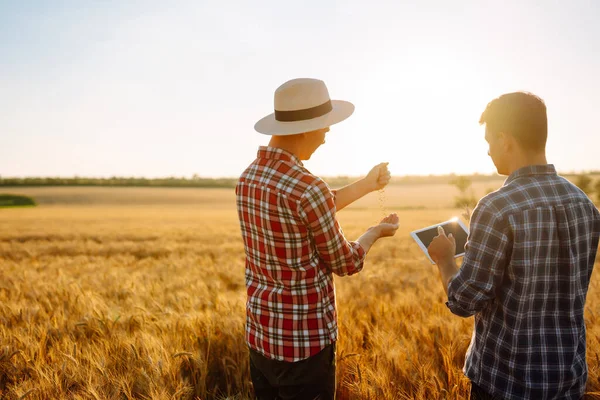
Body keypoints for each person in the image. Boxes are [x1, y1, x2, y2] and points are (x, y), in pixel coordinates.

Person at [428, 92, 600, 400]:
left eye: (489, 142)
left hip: (505, 383)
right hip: (568, 379)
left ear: (506, 139)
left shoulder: (497, 208)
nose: (488, 152)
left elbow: (464, 301)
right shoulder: (584, 204)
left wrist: (444, 259)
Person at [235, 77, 400, 400]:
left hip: (261, 338)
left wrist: (367, 185)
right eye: (325, 129)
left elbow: (310, 208)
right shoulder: (308, 189)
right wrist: (374, 232)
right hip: (305, 349)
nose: (325, 138)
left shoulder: (248, 179)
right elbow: (346, 262)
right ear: (307, 129)